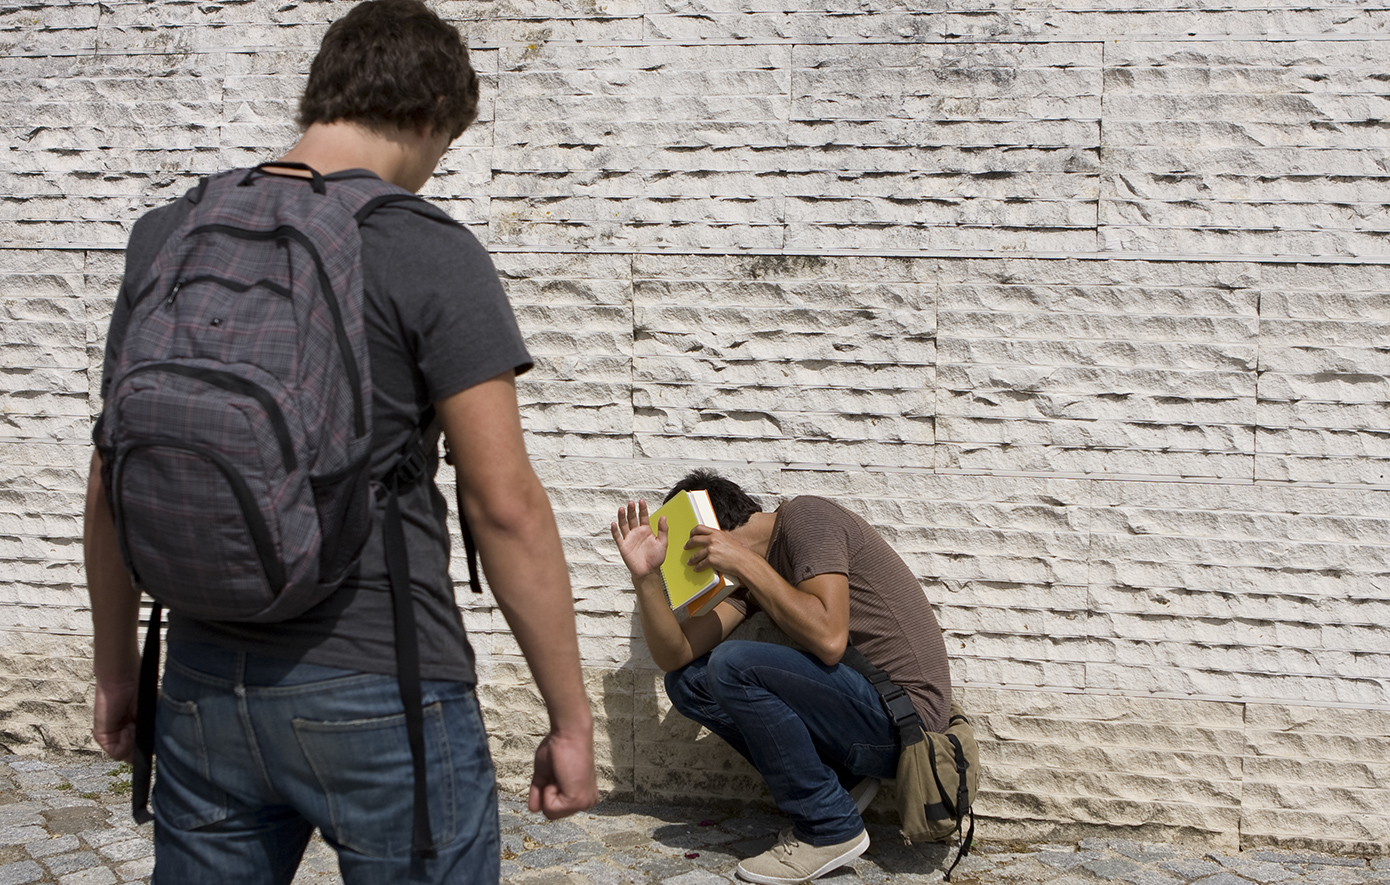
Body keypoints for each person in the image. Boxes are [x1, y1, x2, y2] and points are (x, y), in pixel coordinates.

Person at [82, 1, 597, 882]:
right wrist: (571, 718)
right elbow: (505, 505)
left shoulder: (168, 233)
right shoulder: (423, 247)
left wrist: (116, 667)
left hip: (201, 686)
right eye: (444, 151)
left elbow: (109, 479)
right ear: (434, 118)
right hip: (384, 687)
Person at [612, 469, 951, 885]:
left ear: (703, 528)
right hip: (866, 721)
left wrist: (742, 561)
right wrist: (645, 578)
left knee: (732, 661)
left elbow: (829, 639)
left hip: (909, 725)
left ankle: (828, 827)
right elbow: (676, 655)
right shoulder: (754, 579)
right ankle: (841, 785)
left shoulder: (808, 519)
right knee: (689, 682)